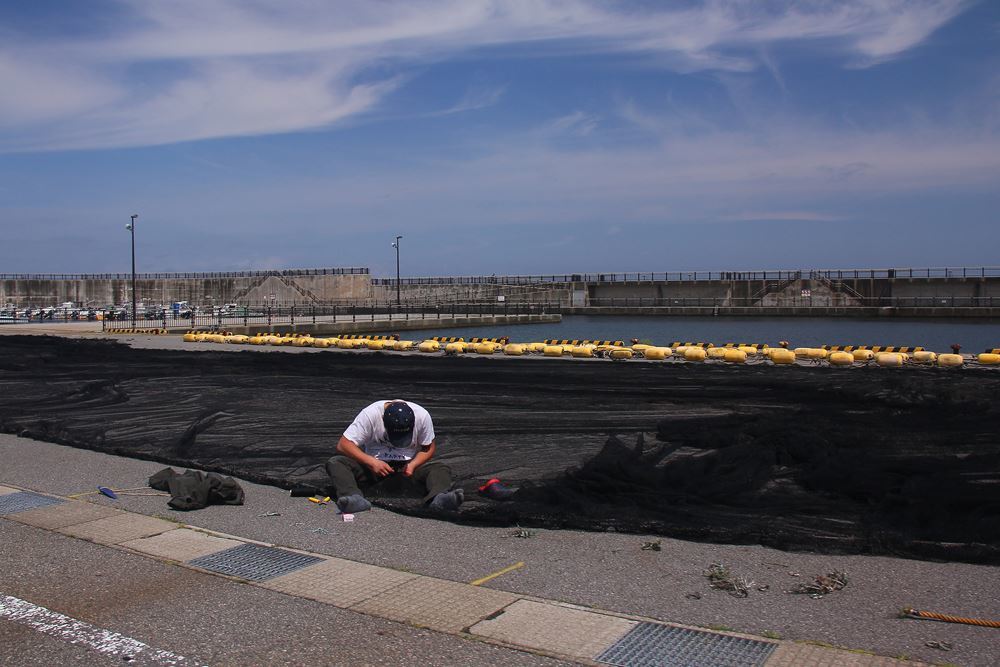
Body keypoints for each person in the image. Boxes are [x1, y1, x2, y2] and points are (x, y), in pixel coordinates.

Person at [326, 400, 463, 514]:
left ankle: (439, 499)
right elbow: (343, 444)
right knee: (336, 462)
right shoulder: (370, 414)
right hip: (374, 468)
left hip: (407, 468)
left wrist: (413, 464)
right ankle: (353, 498)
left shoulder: (422, 416)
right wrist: (371, 462)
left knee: (440, 468)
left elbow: (429, 447)